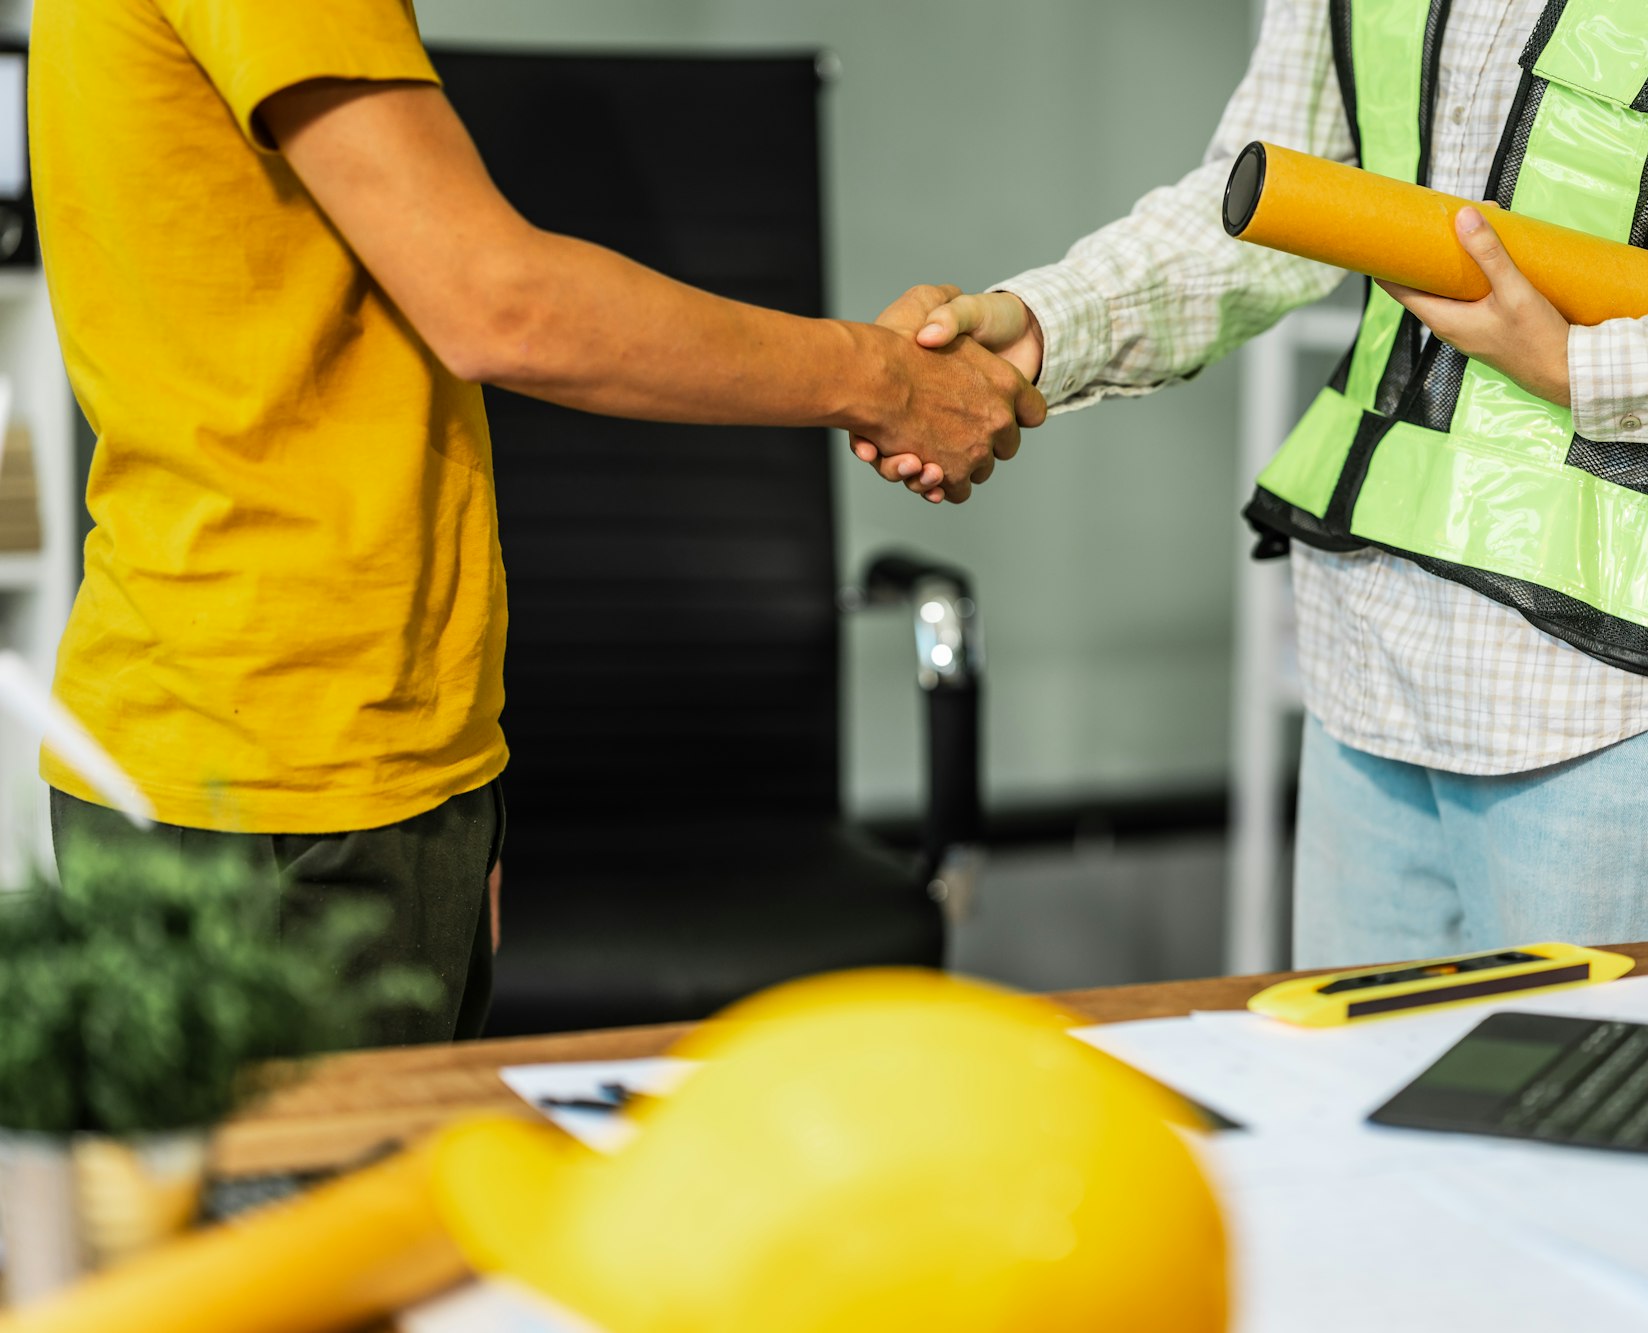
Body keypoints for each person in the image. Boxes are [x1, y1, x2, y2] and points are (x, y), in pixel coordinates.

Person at [858, 0, 1648, 965]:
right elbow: (1276, 192)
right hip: (1367, 667)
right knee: (1373, 1204)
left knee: (1618, 1198)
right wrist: (1045, 323)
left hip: (1640, 704)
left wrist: (1596, 366)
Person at [30, 0, 1043, 1043]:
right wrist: (878, 378)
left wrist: (453, 783)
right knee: (330, 1204)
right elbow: (497, 302)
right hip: (290, 776)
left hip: (281, 736)